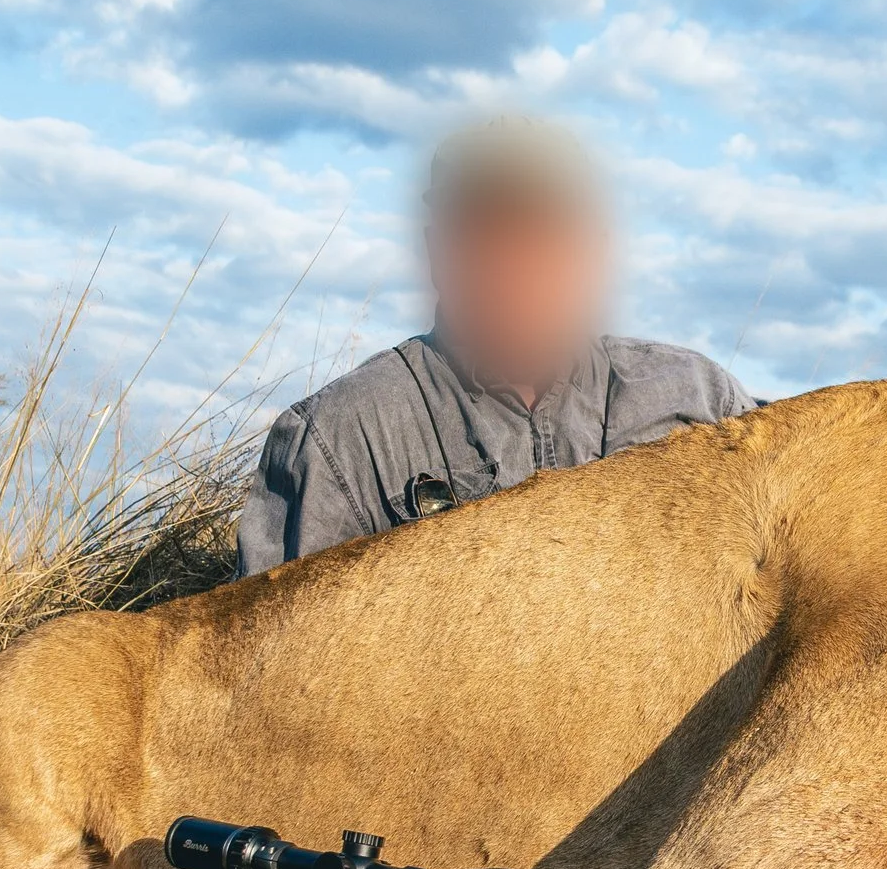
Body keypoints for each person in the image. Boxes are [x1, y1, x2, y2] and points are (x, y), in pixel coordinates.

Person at [235, 117, 755, 575]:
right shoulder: (340, 440)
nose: (515, 268)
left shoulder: (706, 402)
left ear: (593, 251)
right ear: (438, 251)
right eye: (484, 235)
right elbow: (283, 674)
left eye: (543, 236)